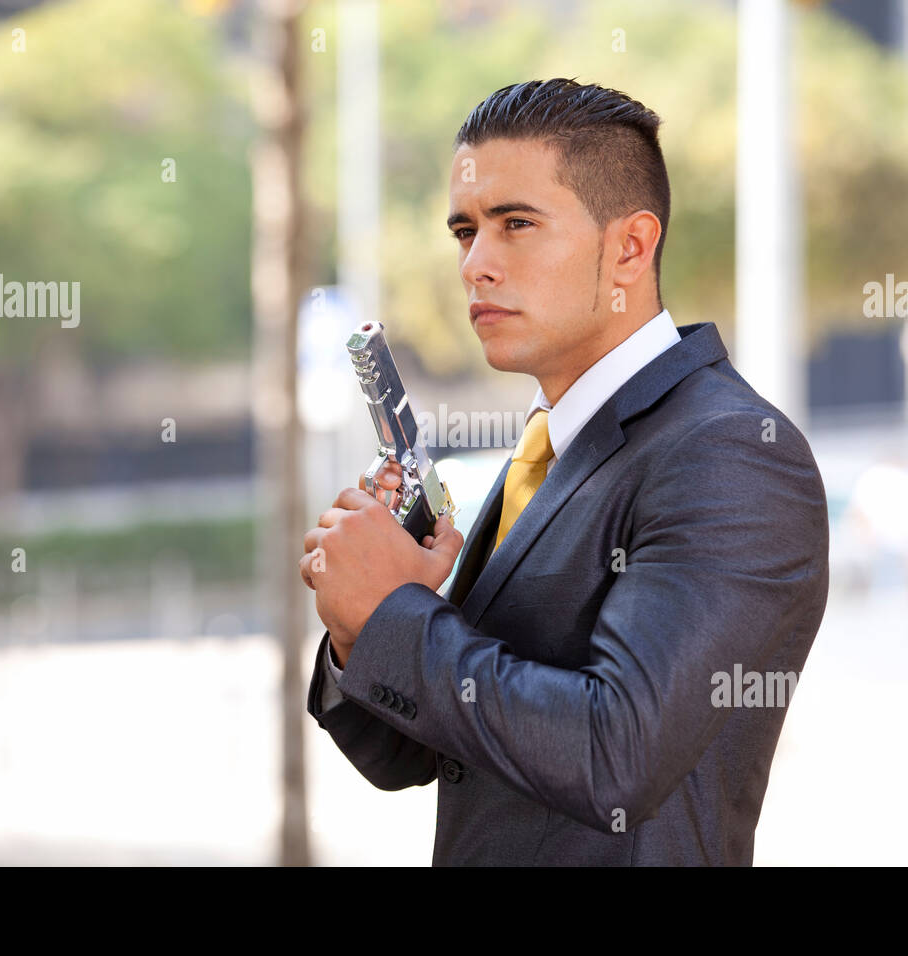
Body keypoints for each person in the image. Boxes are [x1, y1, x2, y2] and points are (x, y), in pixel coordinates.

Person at [300, 78, 829, 865]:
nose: (476, 264)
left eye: (516, 224)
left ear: (630, 246)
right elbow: (409, 757)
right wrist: (363, 623)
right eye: (464, 231)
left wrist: (391, 613)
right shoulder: (550, 446)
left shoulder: (730, 452)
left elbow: (616, 755)